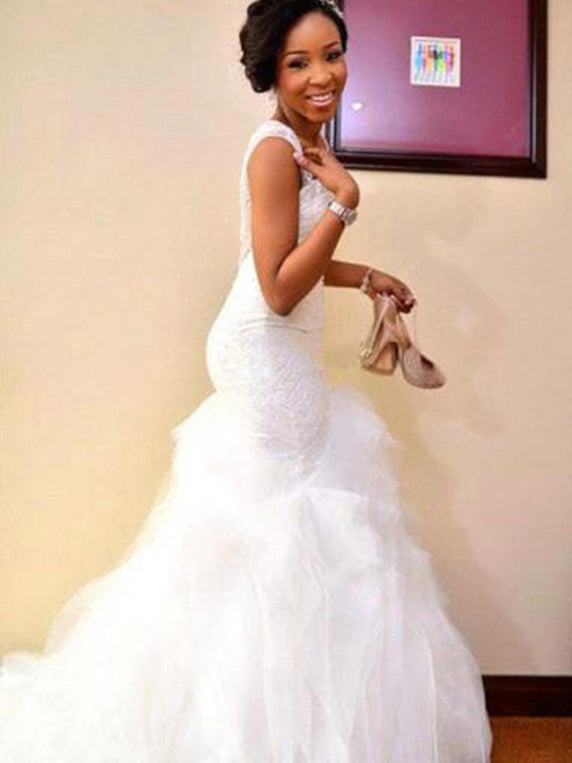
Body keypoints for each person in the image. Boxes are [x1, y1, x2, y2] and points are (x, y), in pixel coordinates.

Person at [0, 0, 493, 760]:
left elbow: (286, 253)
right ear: (271, 72)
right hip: (262, 349)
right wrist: (348, 205)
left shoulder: (306, 143)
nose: (322, 75)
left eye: (332, 54)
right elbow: (277, 287)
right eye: (299, 63)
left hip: (277, 347)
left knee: (300, 520)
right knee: (280, 526)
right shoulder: (274, 150)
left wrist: (367, 276)